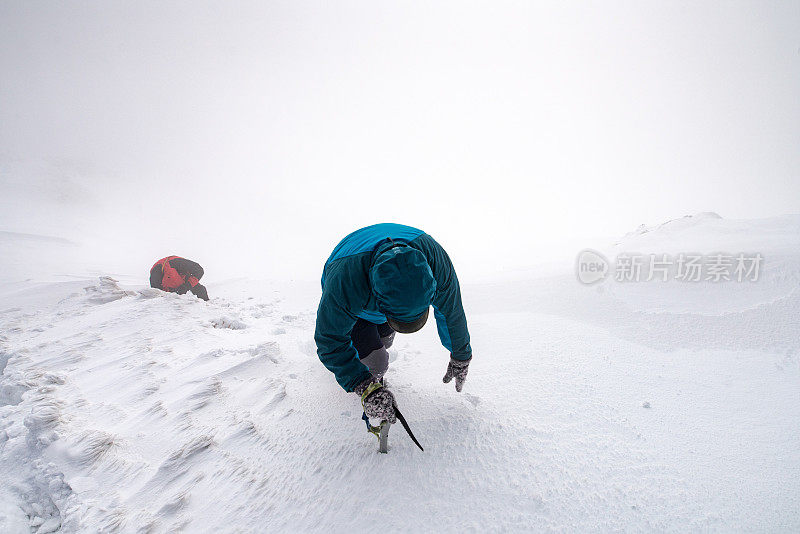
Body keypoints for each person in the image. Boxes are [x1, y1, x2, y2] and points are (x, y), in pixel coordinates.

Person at [315, 223, 472, 425]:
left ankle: (369, 355)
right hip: (354, 284)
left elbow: (452, 311)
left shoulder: (435, 262)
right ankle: (372, 383)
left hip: (377, 299)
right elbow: (329, 339)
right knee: (376, 360)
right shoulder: (345, 283)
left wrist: (461, 355)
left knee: (385, 339)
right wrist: (363, 384)